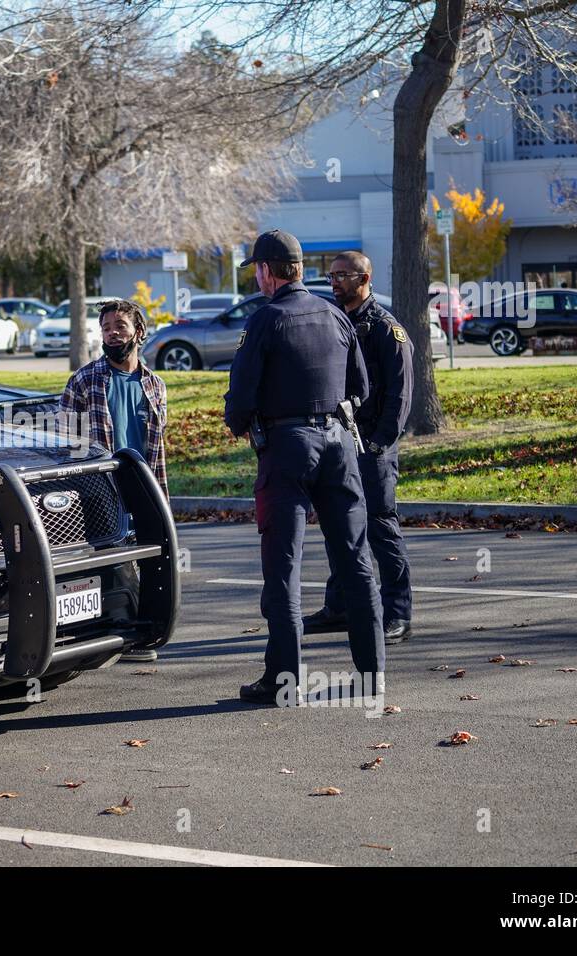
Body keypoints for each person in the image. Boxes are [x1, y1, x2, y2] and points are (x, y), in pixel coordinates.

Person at [223, 230, 385, 705]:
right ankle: (372, 673)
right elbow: (361, 385)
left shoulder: (265, 321)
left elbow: (240, 398)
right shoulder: (335, 314)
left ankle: (284, 680)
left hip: (287, 446)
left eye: (256, 268)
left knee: (283, 567)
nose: (255, 276)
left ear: (268, 271)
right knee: (355, 560)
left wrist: (243, 423)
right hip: (338, 443)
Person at [302, 252, 415, 644]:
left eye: (341, 275)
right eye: (330, 275)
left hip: (372, 445)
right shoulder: (333, 320)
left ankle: (398, 613)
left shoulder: (386, 328)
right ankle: (341, 607)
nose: (333, 282)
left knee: (381, 527)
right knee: (339, 525)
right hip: (337, 441)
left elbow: (401, 395)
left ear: (364, 278)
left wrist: (380, 442)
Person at [60, 297, 168, 663]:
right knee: (109, 561)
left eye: (119, 327)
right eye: (105, 328)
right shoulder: (85, 380)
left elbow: (158, 447)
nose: (111, 334)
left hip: (143, 485)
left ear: (138, 332)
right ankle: (120, 636)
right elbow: (65, 441)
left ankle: (141, 631)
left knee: (149, 558)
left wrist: (161, 496)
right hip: (100, 487)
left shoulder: (155, 385)